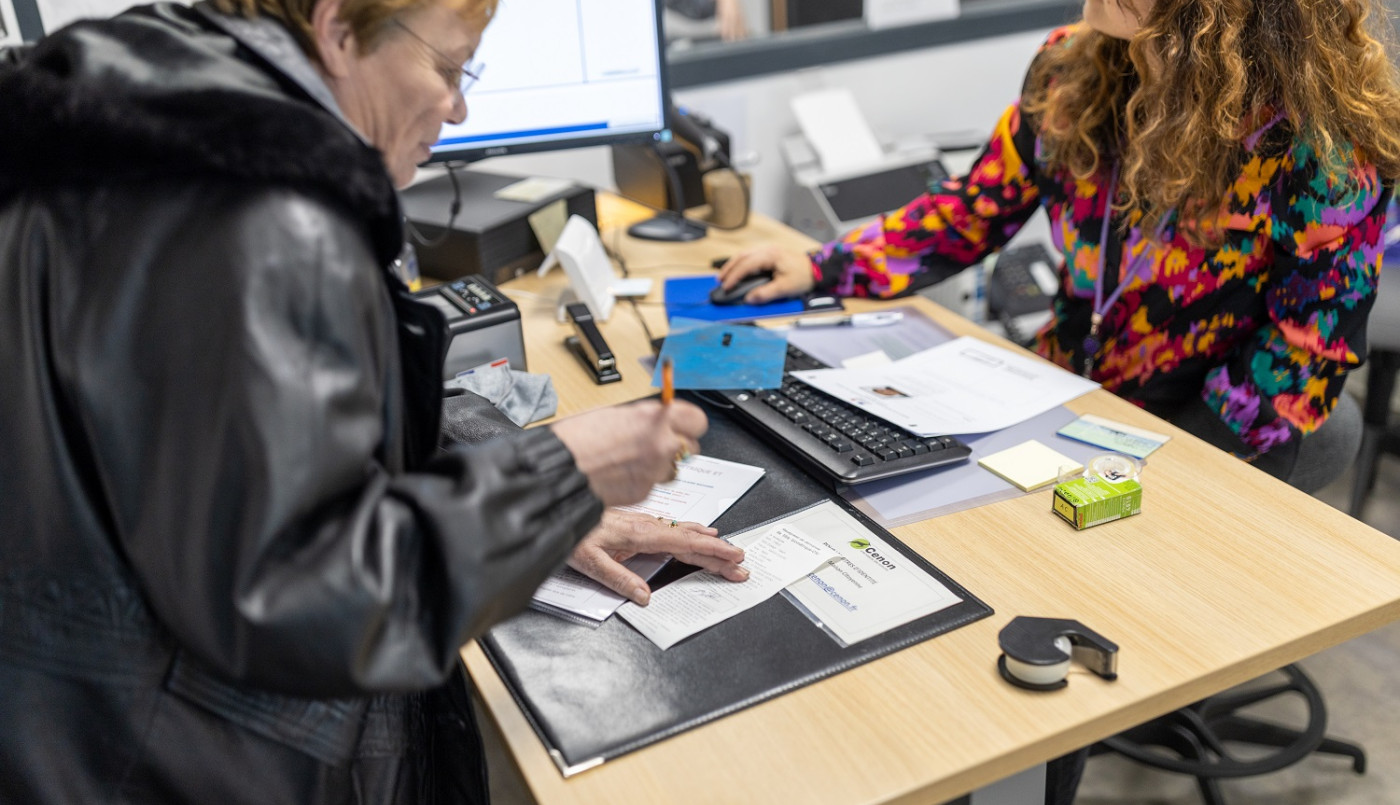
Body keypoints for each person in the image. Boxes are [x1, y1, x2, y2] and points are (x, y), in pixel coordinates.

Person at [0, 0, 748, 801]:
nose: (460, 106)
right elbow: (310, 601)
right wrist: (557, 475)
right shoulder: (259, 216)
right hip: (177, 761)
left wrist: (540, 506)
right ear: (336, 29)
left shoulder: (142, 126)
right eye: (449, 66)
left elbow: (291, 439)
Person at [719, 0, 1400, 493]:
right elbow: (972, 209)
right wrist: (825, 264)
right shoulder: (1070, 72)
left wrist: (1162, 467)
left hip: (1205, 423)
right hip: (1062, 388)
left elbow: (1304, 351)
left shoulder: (1320, 151)